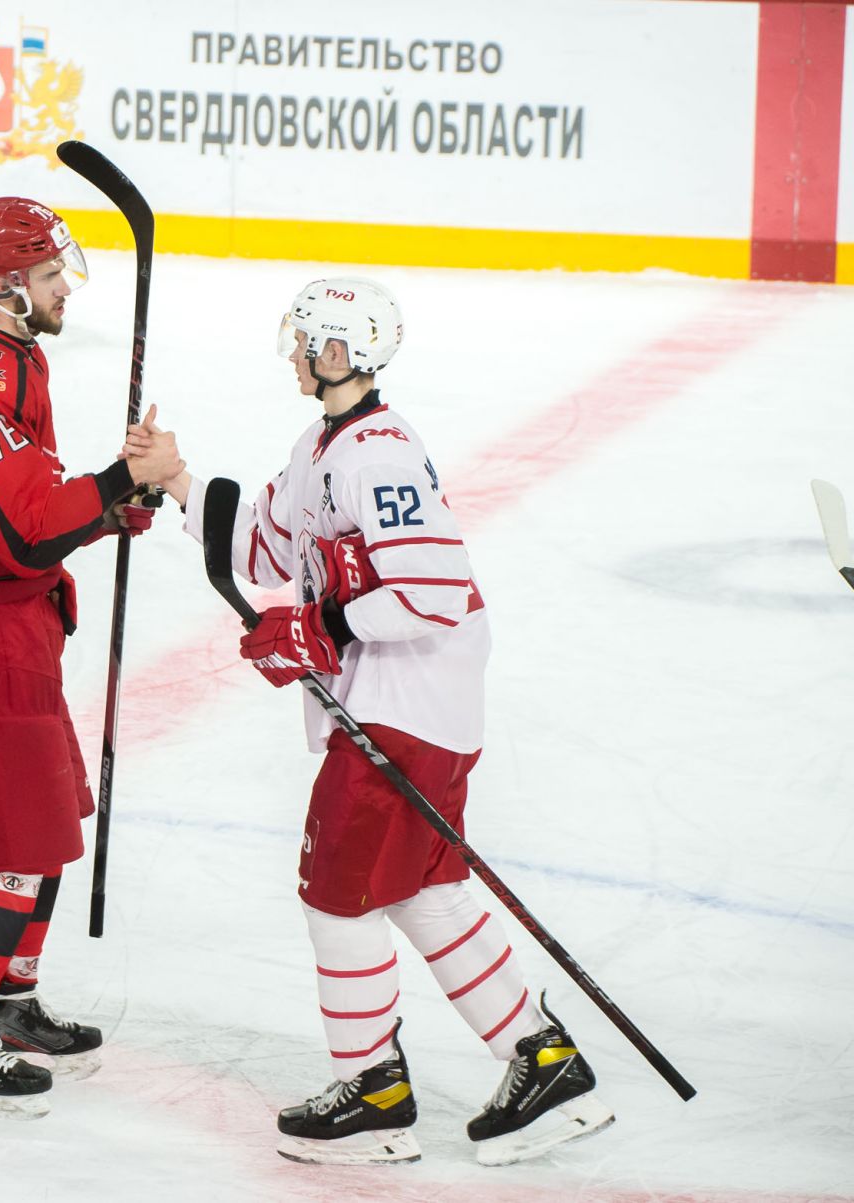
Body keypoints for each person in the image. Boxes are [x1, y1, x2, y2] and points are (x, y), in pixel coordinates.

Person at [134, 277, 614, 1167]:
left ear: (340, 352)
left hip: (410, 706)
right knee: (421, 890)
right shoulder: (323, 445)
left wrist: (320, 629)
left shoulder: (380, 455)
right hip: (410, 705)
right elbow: (263, 549)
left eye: (305, 342)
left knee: (335, 891)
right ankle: (542, 1061)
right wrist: (175, 479)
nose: (293, 354)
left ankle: (374, 1094)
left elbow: (432, 590)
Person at [0, 196, 184, 1115]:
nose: (67, 286)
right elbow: (22, 531)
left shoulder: (15, 354)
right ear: (6, 285)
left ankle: (11, 1000)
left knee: (53, 816)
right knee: (15, 842)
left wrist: (106, 509)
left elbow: (28, 507)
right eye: (51, 272)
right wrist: (116, 480)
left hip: (13, 617)